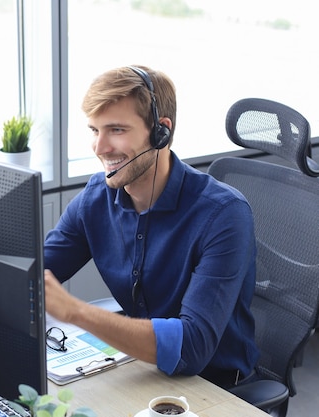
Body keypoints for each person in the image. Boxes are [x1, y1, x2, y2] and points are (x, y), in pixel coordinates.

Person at [43, 65, 259, 389]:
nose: (100, 148)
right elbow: (33, 272)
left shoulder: (224, 215)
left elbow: (192, 346)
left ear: (161, 132)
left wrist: (77, 312)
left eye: (116, 130)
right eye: (94, 130)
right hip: (142, 369)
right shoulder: (96, 200)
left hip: (215, 388)